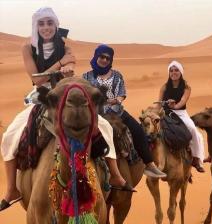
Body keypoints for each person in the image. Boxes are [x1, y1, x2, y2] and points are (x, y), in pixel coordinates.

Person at [0, 7, 77, 212]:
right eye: (41, 24)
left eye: (49, 23)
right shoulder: (28, 48)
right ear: (36, 26)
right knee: (9, 136)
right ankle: (11, 190)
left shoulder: (66, 45)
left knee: (101, 126)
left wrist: (67, 70)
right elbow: (37, 79)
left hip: (63, 93)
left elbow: (70, 74)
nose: (46, 28)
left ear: (55, 25)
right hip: (41, 97)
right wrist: (60, 64)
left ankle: (109, 177)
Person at [82, 44, 167, 178]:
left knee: (138, 130)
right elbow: (83, 95)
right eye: (101, 57)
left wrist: (116, 100)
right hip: (96, 113)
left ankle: (149, 165)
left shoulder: (116, 75)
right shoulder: (86, 76)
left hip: (116, 111)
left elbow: (122, 93)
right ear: (96, 57)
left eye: (107, 58)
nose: (104, 60)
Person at [158, 61, 205, 172]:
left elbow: (182, 102)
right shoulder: (164, 87)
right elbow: (159, 102)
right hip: (165, 112)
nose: (174, 73)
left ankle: (196, 159)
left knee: (193, 130)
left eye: (176, 70)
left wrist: (174, 105)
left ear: (181, 72)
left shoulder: (186, 87)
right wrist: (163, 106)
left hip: (180, 113)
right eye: (171, 70)